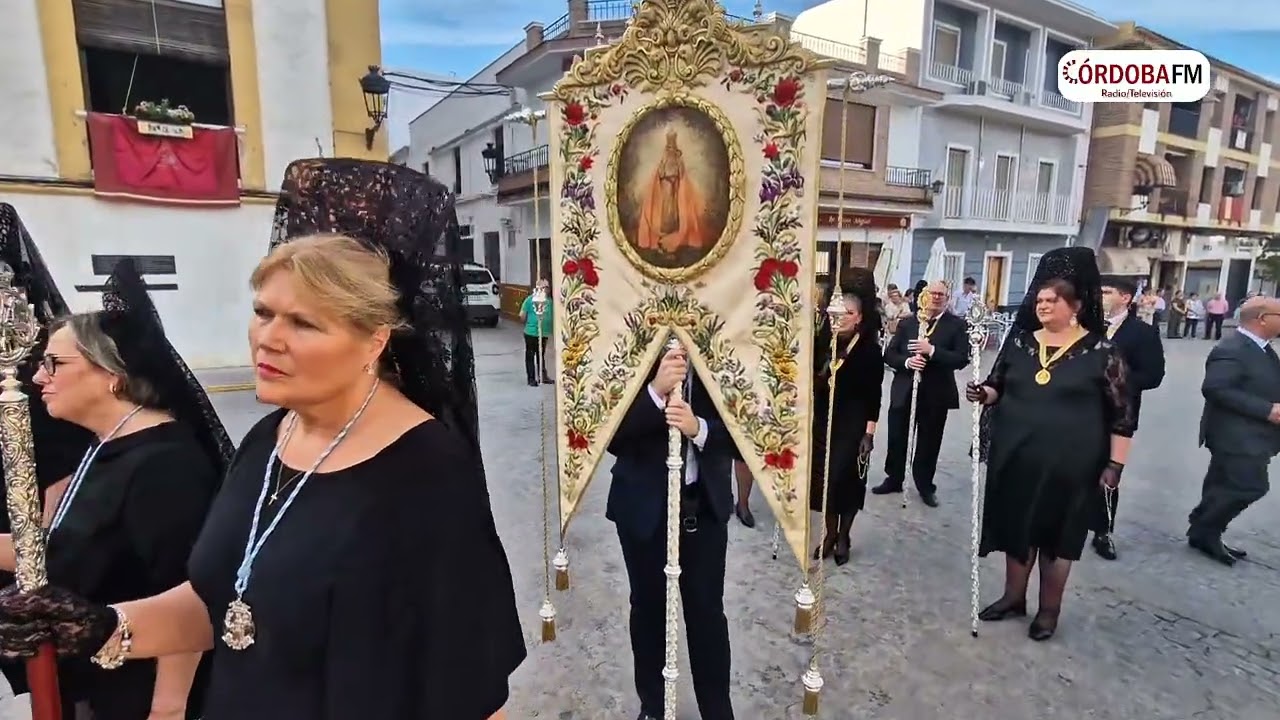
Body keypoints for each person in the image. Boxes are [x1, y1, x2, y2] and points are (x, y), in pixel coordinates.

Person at [0, 161, 525, 719]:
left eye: (304, 324)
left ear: (374, 342)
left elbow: (470, 690)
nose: (267, 340)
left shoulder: (427, 475)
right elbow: (225, 600)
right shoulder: (270, 436)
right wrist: (106, 626)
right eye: (263, 313)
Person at [0, 258, 230, 719]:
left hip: (136, 693)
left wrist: (167, 708)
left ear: (113, 374)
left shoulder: (166, 465)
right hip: (90, 681)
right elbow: (65, 547)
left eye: (54, 363)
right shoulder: (103, 445)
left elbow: (191, 593)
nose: (40, 377)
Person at [966, 246, 1134, 641]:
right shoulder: (1021, 343)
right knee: (1016, 528)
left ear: (1073, 305)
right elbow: (999, 387)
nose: (1042, 306)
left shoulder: (1103, 352)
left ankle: (1048, 611)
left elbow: (1123, 415)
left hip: (1071, 464)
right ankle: (1013, 597)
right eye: (1039, 300)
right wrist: (983, 392)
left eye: (1051, 300)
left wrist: (1115, 466)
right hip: (1017, 454)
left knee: (1057, 539)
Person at [607, 344, 736, 720]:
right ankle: (653, 706)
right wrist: (654, 392)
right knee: (647, 612)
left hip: (702, 510)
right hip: (643, 512)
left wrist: (700, 430)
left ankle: (717, 710)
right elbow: (608, 435)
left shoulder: (725, 355)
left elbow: (754, 433)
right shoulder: (630, 349)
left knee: (707, 615)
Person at [1186, 295, 1280, 565]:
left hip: (1252, 434)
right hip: (1237, 435)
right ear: (1262, 319)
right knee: (1250, 486)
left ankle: (1202, 532)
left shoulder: (1261, 347)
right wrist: (1267, 410)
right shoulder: (1233, 348)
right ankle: (1207, 527)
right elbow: (1216, 388)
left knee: (1221, 484)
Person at [874, 280, 970, 506]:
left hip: (935, 393)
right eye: (933, 293)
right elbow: (890, 354)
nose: (936, 297)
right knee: (897, 436)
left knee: (929, 441)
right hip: (905, 390)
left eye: (941, 294)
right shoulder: (909, 323)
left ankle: (925, 485)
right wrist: (907, 362)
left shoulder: (956, 325)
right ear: (924, 295)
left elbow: (961, 359)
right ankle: (894, 478)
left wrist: (932, 351)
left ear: (947, 298)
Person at [1089, 276, 1165, 560]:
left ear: (1126, 298)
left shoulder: (1142, 333)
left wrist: (1115, 382)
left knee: (1110, 473)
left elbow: (1154, 376)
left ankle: (1103, 531)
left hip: (1118, 417)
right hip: (1078, 411)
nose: (1100, 296)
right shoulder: (1085, 326)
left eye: (1106, 292)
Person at [810, 271, 882, 565]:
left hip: (853, 424)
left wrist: (869, 433)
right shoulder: (822, 343)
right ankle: (828, 533)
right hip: (823, 422)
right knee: (824, 483)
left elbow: (874, 396)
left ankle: (844, 536)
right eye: (837, 312)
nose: (840, 318)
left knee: (847, 481)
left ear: (859, 318)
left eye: (848, 313)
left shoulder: (869, 351)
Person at [638, 128, 706, 254]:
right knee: (666, 208)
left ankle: (674, 229)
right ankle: (664, 231)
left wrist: (678, 177)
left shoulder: (678, 159)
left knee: (675, 208)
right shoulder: (664, 159)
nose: (670, 151)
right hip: (665, 185)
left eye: (672, 149)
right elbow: (661, 172)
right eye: (669, 148)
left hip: (676, 185)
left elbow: (682, 173)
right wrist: (665, 177)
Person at [519, 279, 553, 386]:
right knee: (531, 355)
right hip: (531, 333)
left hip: (543, 333)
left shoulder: (549, 301)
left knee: (540, 355)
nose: (546, 290)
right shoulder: (530, 300)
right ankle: (531, 378)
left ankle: (542, 376)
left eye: (547, 287)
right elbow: (522, 315)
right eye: (544, 287)